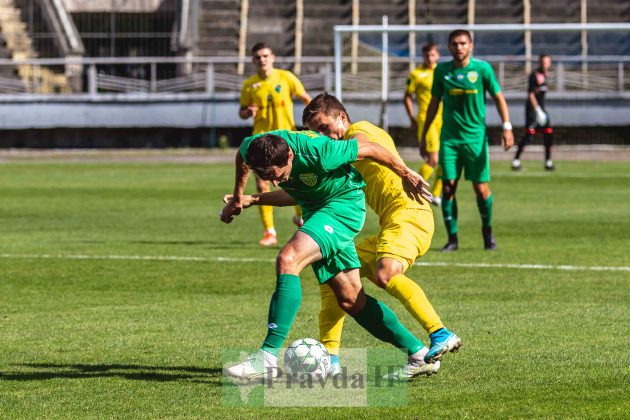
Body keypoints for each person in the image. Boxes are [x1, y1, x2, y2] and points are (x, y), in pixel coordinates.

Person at [220, 129, 440, 381]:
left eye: (275, 174)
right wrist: (239, 197)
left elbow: (372, 148)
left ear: (290, 154)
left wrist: (406, 173)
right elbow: (242, 155)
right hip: (317, 210)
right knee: (350, 299)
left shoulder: (321, 152)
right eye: (264, 175)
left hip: (343, 205)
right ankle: (418, 353)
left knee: (288, 259)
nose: (273, 181)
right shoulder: (254, 147)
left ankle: (266, 358)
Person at [302, 93, 461, 377]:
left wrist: (404, 172)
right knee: (334, 277)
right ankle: (331, 360)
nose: (323, 136)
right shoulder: (341, 155)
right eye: (316, 133)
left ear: (341, 117)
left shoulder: (359, 130)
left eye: (324, 128)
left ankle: (440, 332)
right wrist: (255, 199)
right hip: (392, 223)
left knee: (386, 273)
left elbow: (366, 146)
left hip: (409, 215)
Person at [421, 29, 514, 252]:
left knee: (481, 188)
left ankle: (487, 232)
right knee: (449, 187)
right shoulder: (442, 71)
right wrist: (425, 134)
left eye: (463, 43)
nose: (459, 47)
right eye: (454, 43)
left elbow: (499, 97)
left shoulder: (482, 69)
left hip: (476, 139)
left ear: (471, 46)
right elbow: (434, 103)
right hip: (450, 140)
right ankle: (452, 238)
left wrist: (507, 127)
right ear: (449, 46)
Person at [239, 42, 312, 246]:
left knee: (296, 180)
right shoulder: (250, 85)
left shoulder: (286, 77)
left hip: (286, 140)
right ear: (253, 61)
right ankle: (269, 232)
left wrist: (315, 120)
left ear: (272, 57)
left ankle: (302, 219)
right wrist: (248, 112)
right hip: (260, 142)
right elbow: (242, 111)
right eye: (258, 57)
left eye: (265, 56)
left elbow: (306, 98)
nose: (262, 60)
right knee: (262, 183)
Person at [404, 43, 443, 206]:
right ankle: (411, 187)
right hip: (426, 120)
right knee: (433, 159)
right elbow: (406, 96)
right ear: (423, 56)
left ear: (438, 56)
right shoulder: (416, 74)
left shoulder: (442, 72)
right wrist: (412, 118)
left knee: (444, 160)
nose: (430, 58)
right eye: (427, 55)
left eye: (433, 55)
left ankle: (436, 194)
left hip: (444, 119)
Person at [512, 54, 554, 171]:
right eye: (543, 62)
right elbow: (530, 93)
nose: (545, 64)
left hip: (542, 111)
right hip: (533, 112)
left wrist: (542, 111)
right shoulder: (534, 75)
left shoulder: (546, 76)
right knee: (529, 134)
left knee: (548, 133)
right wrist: (537, 110)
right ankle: (516, 160)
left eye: (547, 62)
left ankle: (548, 161)